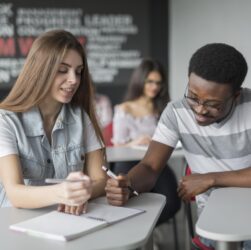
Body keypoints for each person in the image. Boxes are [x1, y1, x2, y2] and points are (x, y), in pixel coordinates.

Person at [105, 43, 251, 249]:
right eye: (193, 96)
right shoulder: (176, 113)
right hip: (212, 221)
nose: (199, 110)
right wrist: (128, 184)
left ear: (236, 96)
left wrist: (211, 179)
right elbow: (150, 166)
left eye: (212, 104)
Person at [0, 29, 107, 216]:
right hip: (14, 226)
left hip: (65, 222)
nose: (73, 80)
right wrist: (62, 192)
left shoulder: (81, 117)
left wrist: (84, 191)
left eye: (79, 72)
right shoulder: (6, 120)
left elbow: (101, 179)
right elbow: (15, 194)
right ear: (41, 70)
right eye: (62, 70)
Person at [111, 58, 181, 225]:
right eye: (150, 81)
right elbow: (117, 146)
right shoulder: (124, 109)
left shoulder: (162, 108)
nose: (154, 86)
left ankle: (146, 231)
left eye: (158, 82)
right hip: (127, 162)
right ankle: (137, 236)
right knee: (127, 202)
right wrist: (136, 142)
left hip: (155, 162)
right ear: (140, 81)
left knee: (172, 202)